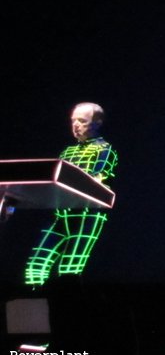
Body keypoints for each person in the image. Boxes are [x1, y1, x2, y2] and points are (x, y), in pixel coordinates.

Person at [24, 103, 118, 287]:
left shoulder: (105, 149)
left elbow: (99, 176)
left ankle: (67, 303)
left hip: (86, 215)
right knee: (36, 264)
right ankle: (36, 298)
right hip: (61, 213)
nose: (76, 125)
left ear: (97, 123)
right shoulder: (67, 151)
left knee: (70, 269)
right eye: (73, 120)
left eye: (82, 121)